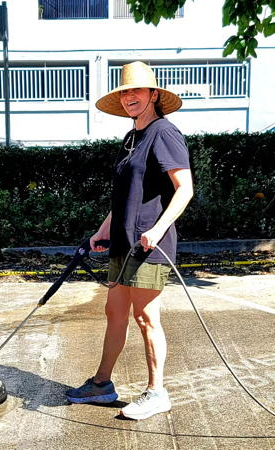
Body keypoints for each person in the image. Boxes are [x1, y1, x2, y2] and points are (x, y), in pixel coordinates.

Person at [66, 61, 194, 420]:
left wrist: (157, 228)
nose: (129, 97)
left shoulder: (164, 133)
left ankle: (157, 392)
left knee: (146, 318)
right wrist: (102, 230)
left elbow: (185, 189)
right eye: (124, 92)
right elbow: (125, 195)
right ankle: (103, 385)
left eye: (136, 90)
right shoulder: (132, 137)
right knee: (114, 312)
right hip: (123, 243)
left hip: (149, 245)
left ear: (154, 94)